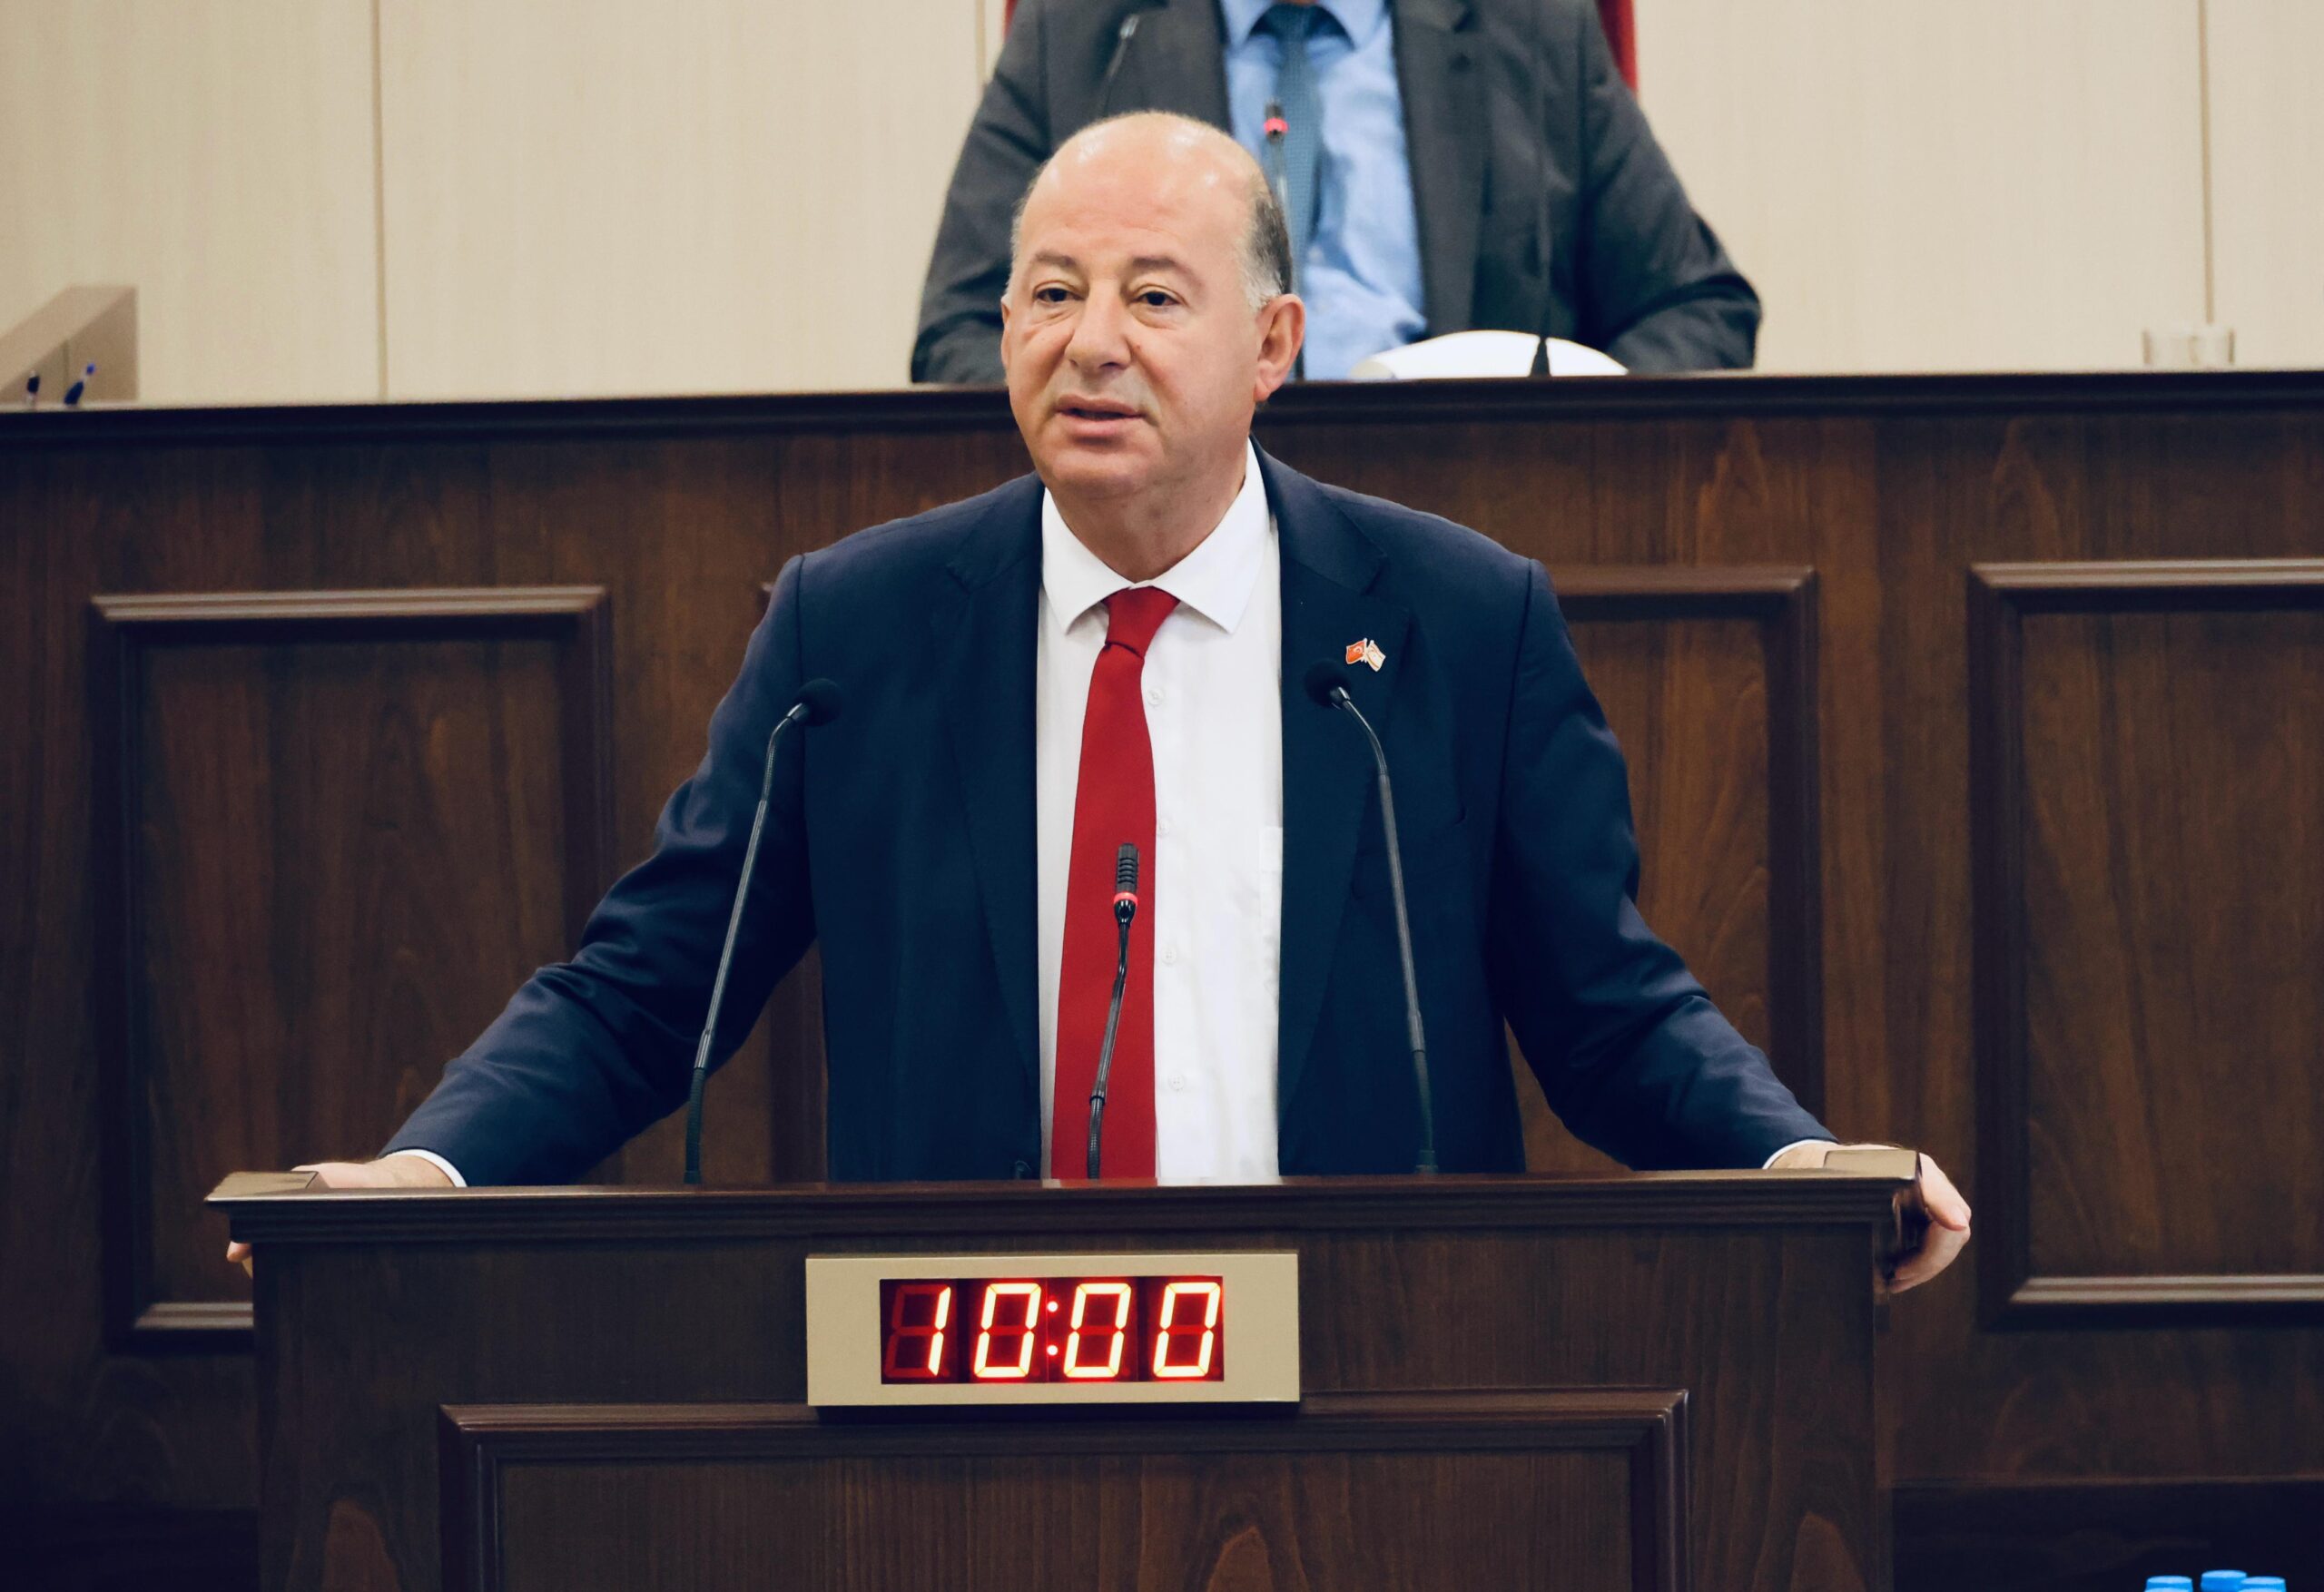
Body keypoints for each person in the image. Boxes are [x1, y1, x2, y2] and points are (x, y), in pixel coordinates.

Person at [231, 113, 1967, 1293]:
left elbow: (1607, 1009)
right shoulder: (859, 626)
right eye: (1051, 293)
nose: (1092, 341)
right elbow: (643, 988)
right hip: (958, 1363)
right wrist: (422, 1175)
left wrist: (1800, 1163)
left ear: (1274, 343)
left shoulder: (1453, 622)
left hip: (1374, 1360)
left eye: (1153, 295)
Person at [912, 0, 1759, 383]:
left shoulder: (1529, 29)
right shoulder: (1085, 33)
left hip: (1469, 517)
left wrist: (1561, 426)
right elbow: (961, 334)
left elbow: (1697, 310)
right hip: (1174, 538)